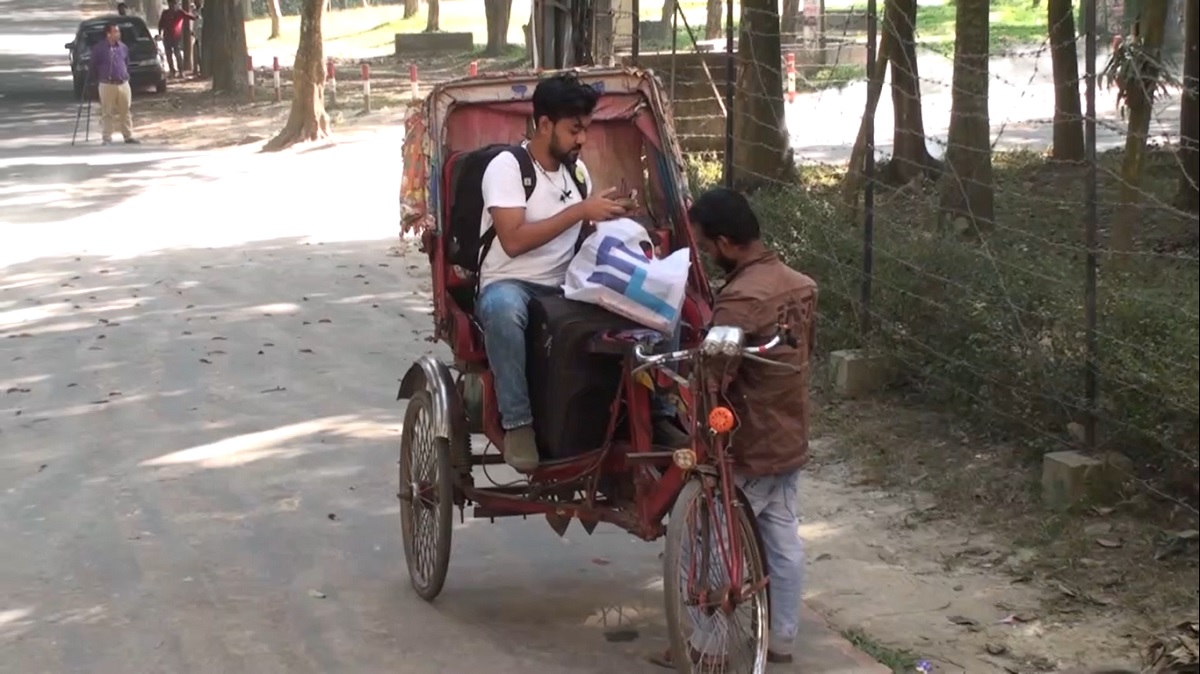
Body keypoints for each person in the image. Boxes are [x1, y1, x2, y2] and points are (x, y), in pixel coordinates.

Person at [474, 72, 690, 473]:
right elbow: (513, 240)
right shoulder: (507, 167)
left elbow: (582, 234)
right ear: (544, 124)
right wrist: (580, 211)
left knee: (663, 296)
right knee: (501, 308)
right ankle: (518, 423)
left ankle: (659, 412)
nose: (582, 139)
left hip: (569, 284)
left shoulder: (577, 174)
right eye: (575, 130)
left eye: (586, 129)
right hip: (512, 284)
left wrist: (610, 214)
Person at [653, 187, 817, 669]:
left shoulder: (741, 299)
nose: (707, 254)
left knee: (709, 538)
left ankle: (708, 647)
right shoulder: (800, 284)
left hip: (747, 442)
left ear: (725, 242)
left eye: (707, 245)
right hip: (789, 435)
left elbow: (714, 378)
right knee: (781, 539)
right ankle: (782, 639)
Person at [89, 23, 139, 145]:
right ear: (108, 34)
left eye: (118, 31)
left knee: (125, 111)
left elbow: (126, 63)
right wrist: (96, 79)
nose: (118, 34)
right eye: (115, 31)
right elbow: (93, 65)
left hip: (123, 83)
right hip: (107, 84)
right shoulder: (99, 48)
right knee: (107, 112)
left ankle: (128, 136)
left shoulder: (123, 47)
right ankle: (107, 137)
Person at [157, 0, 196, 77]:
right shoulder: (165, 13)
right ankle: (172, 71)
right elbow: (160, 24)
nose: (172, 6)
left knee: (177, 53)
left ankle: (181, 70)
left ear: (175, 4)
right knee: (168, 54)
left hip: (176, 37)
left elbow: (188, 16)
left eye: (173, 4)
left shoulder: (179, 12)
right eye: (170, 4)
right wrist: (160, 33)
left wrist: (196, 17)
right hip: (166, 36)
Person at [190, 1, 203, 75]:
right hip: (196, 35)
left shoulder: (203, 10)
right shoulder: (194, 11)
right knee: (195, 52)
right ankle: (195, 69)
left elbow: (200, 22)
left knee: (200, 53)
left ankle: (201, 69)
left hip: (201, 34)